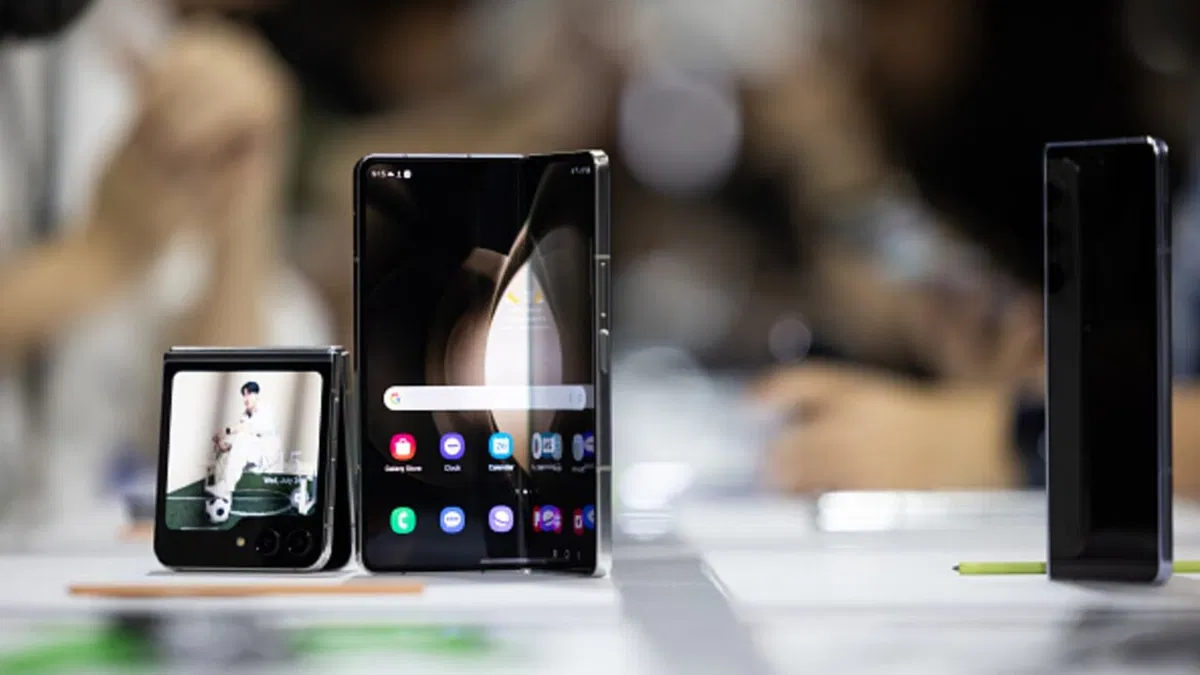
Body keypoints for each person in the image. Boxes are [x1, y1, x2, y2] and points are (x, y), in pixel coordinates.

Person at [205, 380, 282, 522]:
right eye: (244, 395)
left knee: (243, 438)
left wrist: (226, 431)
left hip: (267, 454)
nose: (246, 398)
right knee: (224, 457)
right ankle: (223, 501)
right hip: (251, 453)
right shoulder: (245, 415)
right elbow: (238, 444)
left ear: (257, 395)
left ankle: (225, 486)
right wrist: (223, 444)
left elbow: (247, 429)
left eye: (249, 394)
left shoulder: (266, 410)